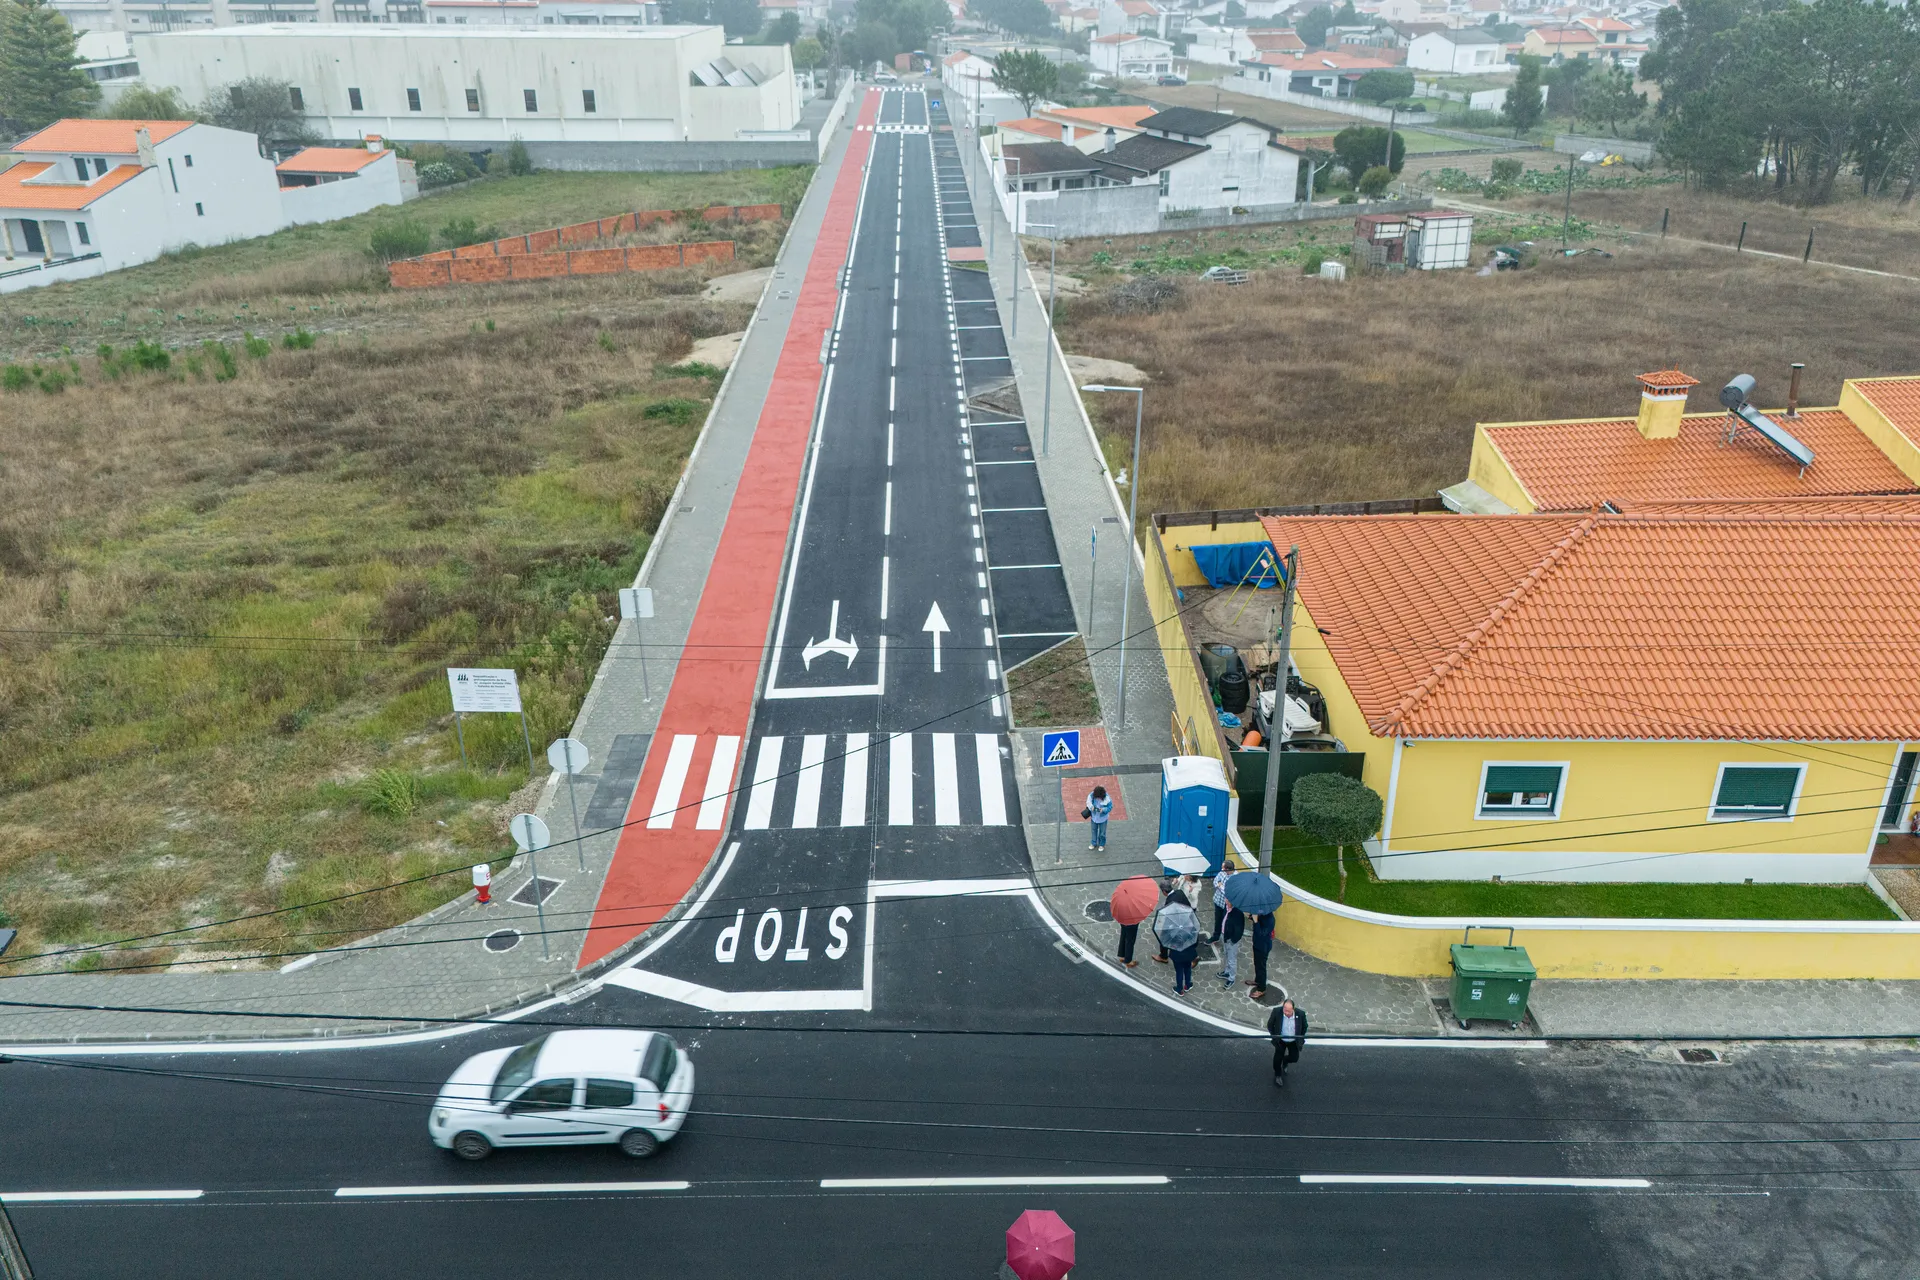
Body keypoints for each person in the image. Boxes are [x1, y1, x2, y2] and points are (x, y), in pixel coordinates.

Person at [1153, 889, 1200, 997]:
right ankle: (1188, 985)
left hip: (1177, 954)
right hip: (1189, 953)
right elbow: (1194, 938)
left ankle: (1179, 989)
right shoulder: (1190, 925)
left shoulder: (1172, 928)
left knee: (1179, 971)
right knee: (1187, 968)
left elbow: (1166, 940)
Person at [1267, 998, 1308, 1087]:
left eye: (1288, 1011)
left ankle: (1285, 1061)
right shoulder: (1276, 1012)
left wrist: (1300, 1038)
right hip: (1281, 1040)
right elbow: (1270, 1025)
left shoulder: (1300, 1014)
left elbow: (1304, 1027)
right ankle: (1278, 1075)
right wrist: (1274, 1037)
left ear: (1293, 1009)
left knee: (1294, 1058)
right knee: (1277, 1059)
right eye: (1284, 1010)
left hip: (1293, 1041)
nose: (1286, 1013)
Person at [1248, 910, 1274, 999]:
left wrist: (1255, 921)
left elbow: (1261, 934)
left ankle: (1262, 989)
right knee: (1257, 964)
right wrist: (1252, 917)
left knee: (1261, 967)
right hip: (1257, 944)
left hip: (1263, 947)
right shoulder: (1263, 914)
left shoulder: (1270, 920)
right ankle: (1258, 980)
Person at [1217, 903, 1245, 988]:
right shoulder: (1227, 908)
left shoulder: (1238, 913)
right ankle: (1227, 972)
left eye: (1227, 899)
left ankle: (1231, 978)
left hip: (1231, 940)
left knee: (1231, 960)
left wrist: (1233, 940)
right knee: (1226, 955)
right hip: (1224, 936)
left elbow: (1239, 930)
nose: (1225, 900)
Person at [1207, 866, 1232, 943]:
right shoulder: (1221, 873)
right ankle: (1216, 936)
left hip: (1227, 905)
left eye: (1223, 868)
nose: (1222, 870)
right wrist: (1218, 884)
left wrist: (1220, 886)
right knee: (1218, 920)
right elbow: (1215, 882)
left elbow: (1228, 892)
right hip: (1218, 901)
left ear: (1228, 869)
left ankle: (1226, 938)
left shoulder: (1234, 878)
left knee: (1227, 922)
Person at [1085, 786, 1113, 850]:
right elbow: (1088, 802)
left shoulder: (1107, 797)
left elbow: (1110, 807)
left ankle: (1101, 844)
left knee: (1102, 833)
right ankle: (1093, 843)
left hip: (1103, 819)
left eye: (1099, 798)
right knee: (1093, 831)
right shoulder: (1091, 795)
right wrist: (1091, 807)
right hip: (1094, 818)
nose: (1098, 799)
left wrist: (1103, 809)